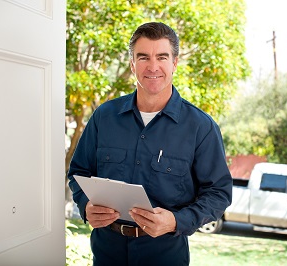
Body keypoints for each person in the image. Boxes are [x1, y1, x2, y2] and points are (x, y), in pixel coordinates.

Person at [67, 21, 232, 265]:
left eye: (162, 57)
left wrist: (177, 221)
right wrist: (85, 206)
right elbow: (79, 172)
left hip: (165, 254)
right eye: (143, 57)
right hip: (106, 252)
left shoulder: (201, 127)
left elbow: (218, 193)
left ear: (174, 63)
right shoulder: (104, 116)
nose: (153, 66)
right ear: (132, 64)